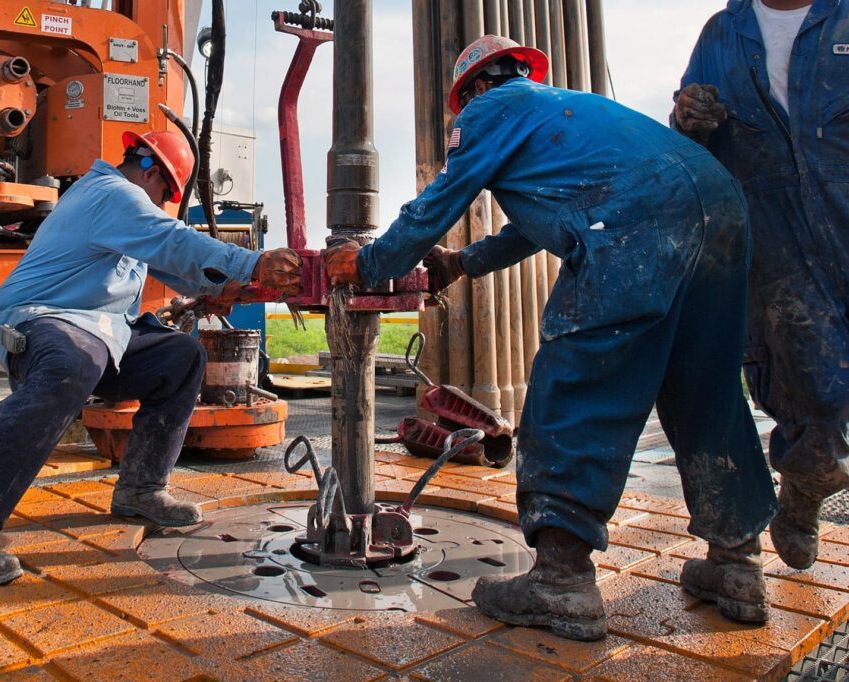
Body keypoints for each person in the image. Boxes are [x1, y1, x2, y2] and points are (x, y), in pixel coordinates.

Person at [325, 36, 777, 641]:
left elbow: (437, 202)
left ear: (475, 89)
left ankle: (561, 581)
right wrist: (463, 263)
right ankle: (737, 563)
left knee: (576, 383)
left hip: (633, 221)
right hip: (718, 207)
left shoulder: (491, 110)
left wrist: (369, 263)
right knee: (706, 388)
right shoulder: (569, 110)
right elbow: (536, 224)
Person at [0, 130, 302, 586]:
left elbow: (168, 263)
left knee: (181, 357)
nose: (162, 203)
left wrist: (222, 288)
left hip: (98, 334)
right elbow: (171, 238)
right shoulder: (110, 194)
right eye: (165, 193)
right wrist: (253, 263)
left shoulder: (121, 210)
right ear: (149, 168)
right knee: (73, 362)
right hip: (40, 322)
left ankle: (141, 490)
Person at [673, 0, 848, 571]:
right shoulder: (724, 34)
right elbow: (688, 137)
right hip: (776, 239)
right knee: (815, 388)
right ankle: (806, 483)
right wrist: (689, 120)